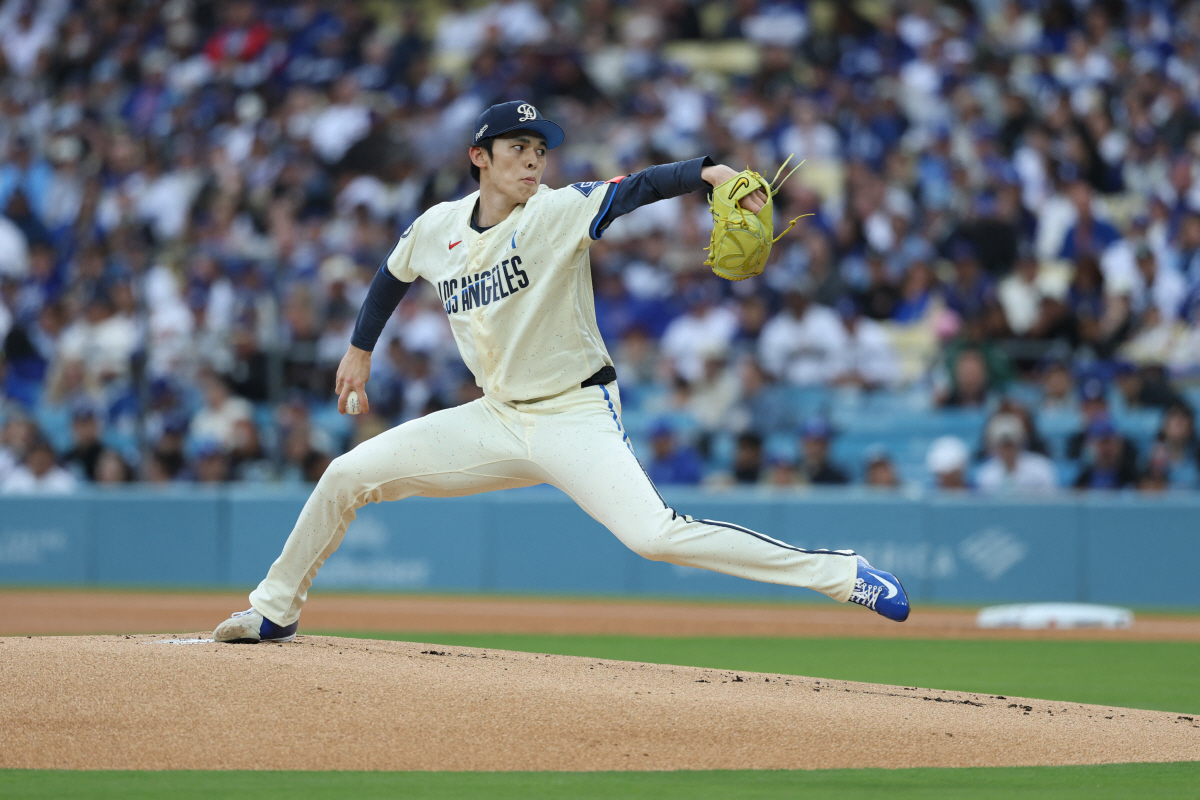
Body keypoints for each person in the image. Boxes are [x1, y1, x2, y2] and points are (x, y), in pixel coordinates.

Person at [213, 101, 910, 642]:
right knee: (345, 474)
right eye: (518, 148)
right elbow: (392, 275)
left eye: (540, 149)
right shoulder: (437, 227)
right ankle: (274, 611)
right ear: (478, 157)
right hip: (495, 418)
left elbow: (633, 188)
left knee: (655, 536)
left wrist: (710, 173)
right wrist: (360, 348)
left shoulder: (555, 212)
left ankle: (844, 575)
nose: (534, 159)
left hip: (575, 416)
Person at [975, 413, 1058, 494]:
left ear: (1020, 443)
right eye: (1003, 445)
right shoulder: (986, 474)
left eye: (1010, 445)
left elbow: (1051, 500)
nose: (1007, 450)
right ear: (994, 446)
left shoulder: (1041, 467)